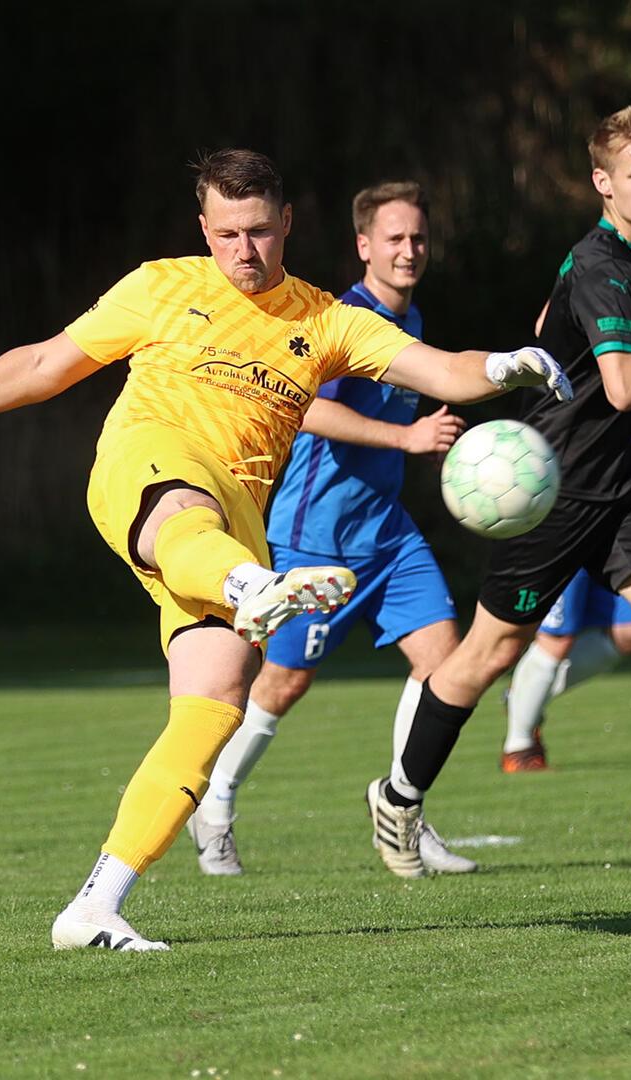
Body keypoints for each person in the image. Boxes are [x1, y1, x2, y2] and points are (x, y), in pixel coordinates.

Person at [0, 149, 569, 950]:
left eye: (259, 231)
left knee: (217, 697)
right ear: (203, 229)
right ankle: (250, 583)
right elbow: (46, 363)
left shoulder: (325, 320)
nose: (244, 252)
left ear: (288, 223)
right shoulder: (161, 285)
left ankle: (95, 905)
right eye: (226, 234)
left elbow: (437, 368)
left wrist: (502, 366)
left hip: (237, 522)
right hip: (151, 468)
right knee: (188, 511)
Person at [363, 105, 631, 876]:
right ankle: (400, 796)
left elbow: (559, 335)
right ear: (602, 184)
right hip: (547, 494)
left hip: (616, 487)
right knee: (489, 654)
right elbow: (617, 383)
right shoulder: (604, 264)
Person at [186, 180, 477, 876]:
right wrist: (405, 440)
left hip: (388, 535)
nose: (409, 251)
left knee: (445, 663)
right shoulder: (339, 319)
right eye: (395, 239)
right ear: (364, 246)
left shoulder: (411, 321)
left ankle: (403, 808)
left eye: (419, 239)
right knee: (281, 685)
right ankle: (215, 805)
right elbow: (308, 409)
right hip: (318, 535)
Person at [499, 454, 631, 773]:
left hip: (615, 518)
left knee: (630, 631)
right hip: (567, 515)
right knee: (557, 638)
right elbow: (576, 444)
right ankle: (519, 748)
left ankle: (522, 697)